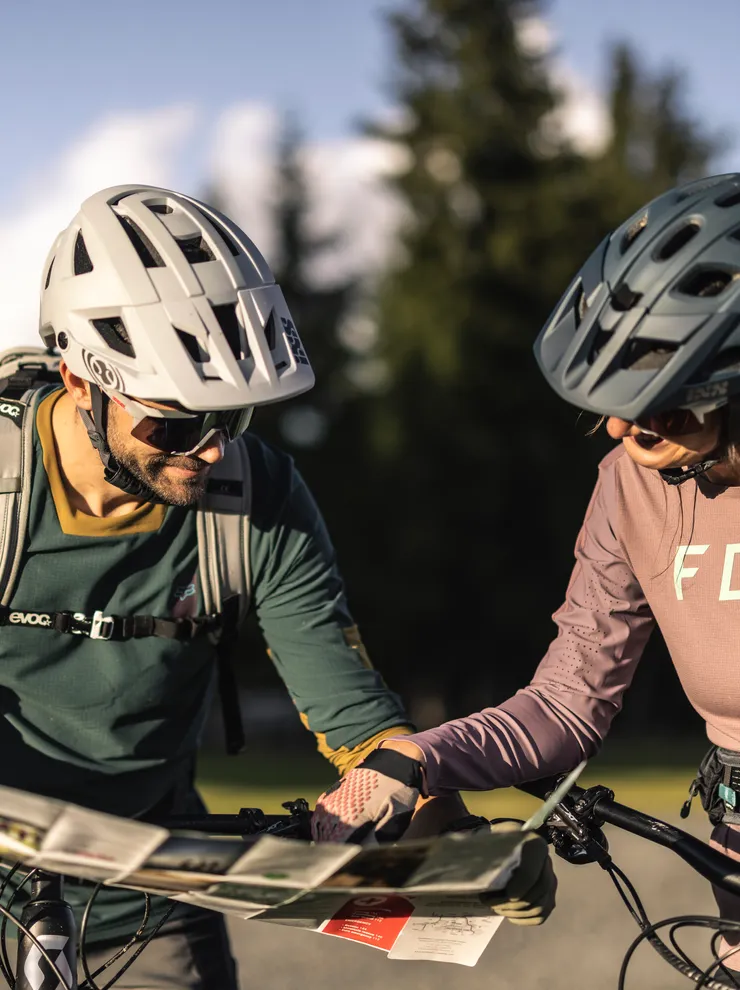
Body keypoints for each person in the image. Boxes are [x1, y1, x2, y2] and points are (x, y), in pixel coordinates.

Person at [0, 183, 467, 989]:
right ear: (82, 381)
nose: (213, 452)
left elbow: (358, 723)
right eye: (176, 424)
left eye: (233, 419)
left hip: (148, 894)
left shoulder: (258, 499)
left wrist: (451, 849)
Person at [312, 171, 740, 965]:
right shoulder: (630, 484)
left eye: (660, 410)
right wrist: (416, 759)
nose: (617, 430)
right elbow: (569, 701)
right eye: (607, 403)